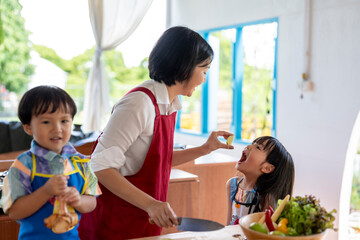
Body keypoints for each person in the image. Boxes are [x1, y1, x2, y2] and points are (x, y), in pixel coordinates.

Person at [78, 26, 234, 240]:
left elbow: (160, 160)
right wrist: (151, 204)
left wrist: (205, 149)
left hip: (142, 221)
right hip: (116, 222)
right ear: (184, 67)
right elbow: (99, 166)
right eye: (204, 70)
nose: (204, 79)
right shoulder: (139, 103)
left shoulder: (169, 104)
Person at [0, 86, 101, 240]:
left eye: (64, 121)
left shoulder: (81, 163)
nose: (57, 128)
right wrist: (46, 191)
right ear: (28, 127)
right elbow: (14, 212)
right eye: (46, 121)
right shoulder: (23, 165)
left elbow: (92, 202)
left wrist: (78, 199)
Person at [226, 136, 294, 225]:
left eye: (258, 147)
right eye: (252, 144)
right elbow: (228, 224)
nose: (249, 146)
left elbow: (262, 232)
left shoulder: (265, 197)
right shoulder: (232, 185)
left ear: (266, 168)